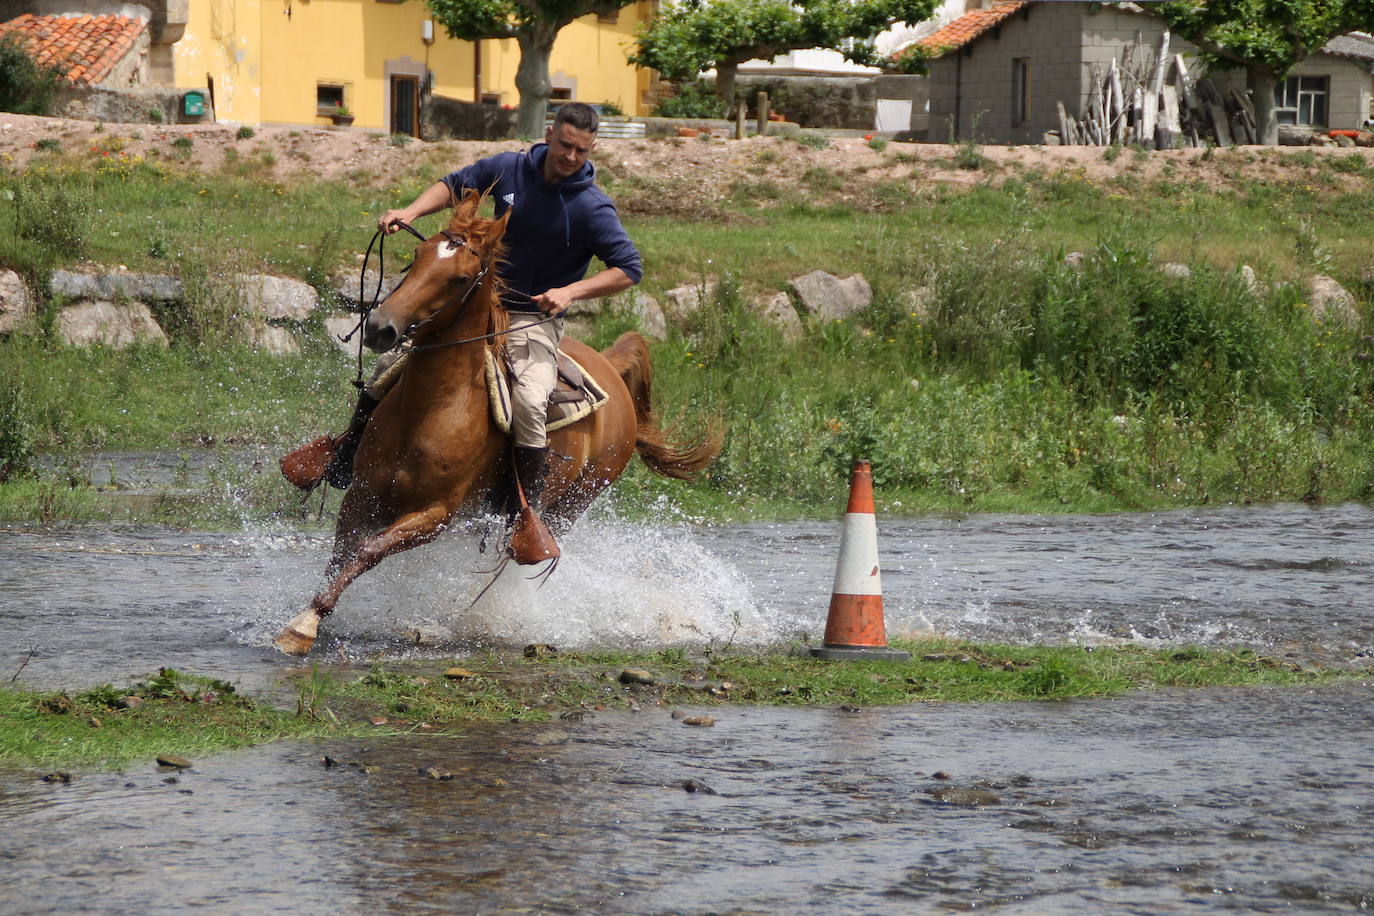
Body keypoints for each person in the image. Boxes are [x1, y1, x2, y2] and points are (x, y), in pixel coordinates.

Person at [309, 102, 642, 534]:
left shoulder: (592, 208)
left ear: (592, 147)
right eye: (565, 145)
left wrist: (569, 291)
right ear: (549, 134)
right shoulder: (508, 168)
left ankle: (526, 510)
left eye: (582, 150)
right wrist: (409, 212)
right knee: (384, 369)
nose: (571, 157)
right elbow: (452, 185)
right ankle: (344, 458)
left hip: (530, 317)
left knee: (529, 400)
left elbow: (628, 269)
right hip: (470, 304)